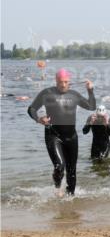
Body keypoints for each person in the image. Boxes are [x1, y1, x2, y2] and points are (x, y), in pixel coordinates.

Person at [26, 68, 96, 196]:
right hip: (53, 135)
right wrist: (38, 119)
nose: (63, 85)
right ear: (56, 81)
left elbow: (91, 106)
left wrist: (90, 90)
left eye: (65, 82)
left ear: (69, 81)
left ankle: (70, 201)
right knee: (59, 166)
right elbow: (31, 109)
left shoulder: (74, 95)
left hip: (71, 137)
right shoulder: (47, 93)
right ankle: (58, 189)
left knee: (72, 172)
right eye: (60, 82)